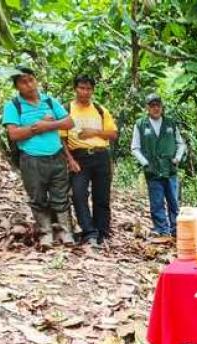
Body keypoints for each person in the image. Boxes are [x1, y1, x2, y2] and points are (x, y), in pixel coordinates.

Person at [1, 67, 75, 247]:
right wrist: (36, 127)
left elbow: (69, 122)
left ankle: (65, 232)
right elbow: (14, 134)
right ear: (17, 86)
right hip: (31, 158)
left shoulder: (49, 101)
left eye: (31, 80)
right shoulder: (13, 106)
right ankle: (45, 233)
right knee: (37, 197)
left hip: (56, 156)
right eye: (23, 82)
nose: (29, 85)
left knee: (61, 195)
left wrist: (47, 126)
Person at [61, 75, 118, 248]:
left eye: (88, 89)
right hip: (79, 156)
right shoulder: (67, 110)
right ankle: (89, 232)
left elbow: (113, 134)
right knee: (78, 194)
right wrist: (69, 160)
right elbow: (61, 139)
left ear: (93, 90)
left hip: (101, 155)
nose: (85, 92)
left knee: (102, 195)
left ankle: (102, 232)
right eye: (81, 88)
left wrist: (94, 131)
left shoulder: (100, 110)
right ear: (75, 89)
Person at [130, 94, 187, 237]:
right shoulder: (140, 124)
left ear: (162, 107)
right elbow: (135, 147)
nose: (155, 108)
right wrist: (145, 163)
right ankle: (162, 230)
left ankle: (176, 230)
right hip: (152, 169)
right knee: (156, 202)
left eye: (158, 105)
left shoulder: (170, 123)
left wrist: (177, 158)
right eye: (152, 105)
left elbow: (180, 143)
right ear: (147, 108)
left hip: (170, 168)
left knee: (173, 201)